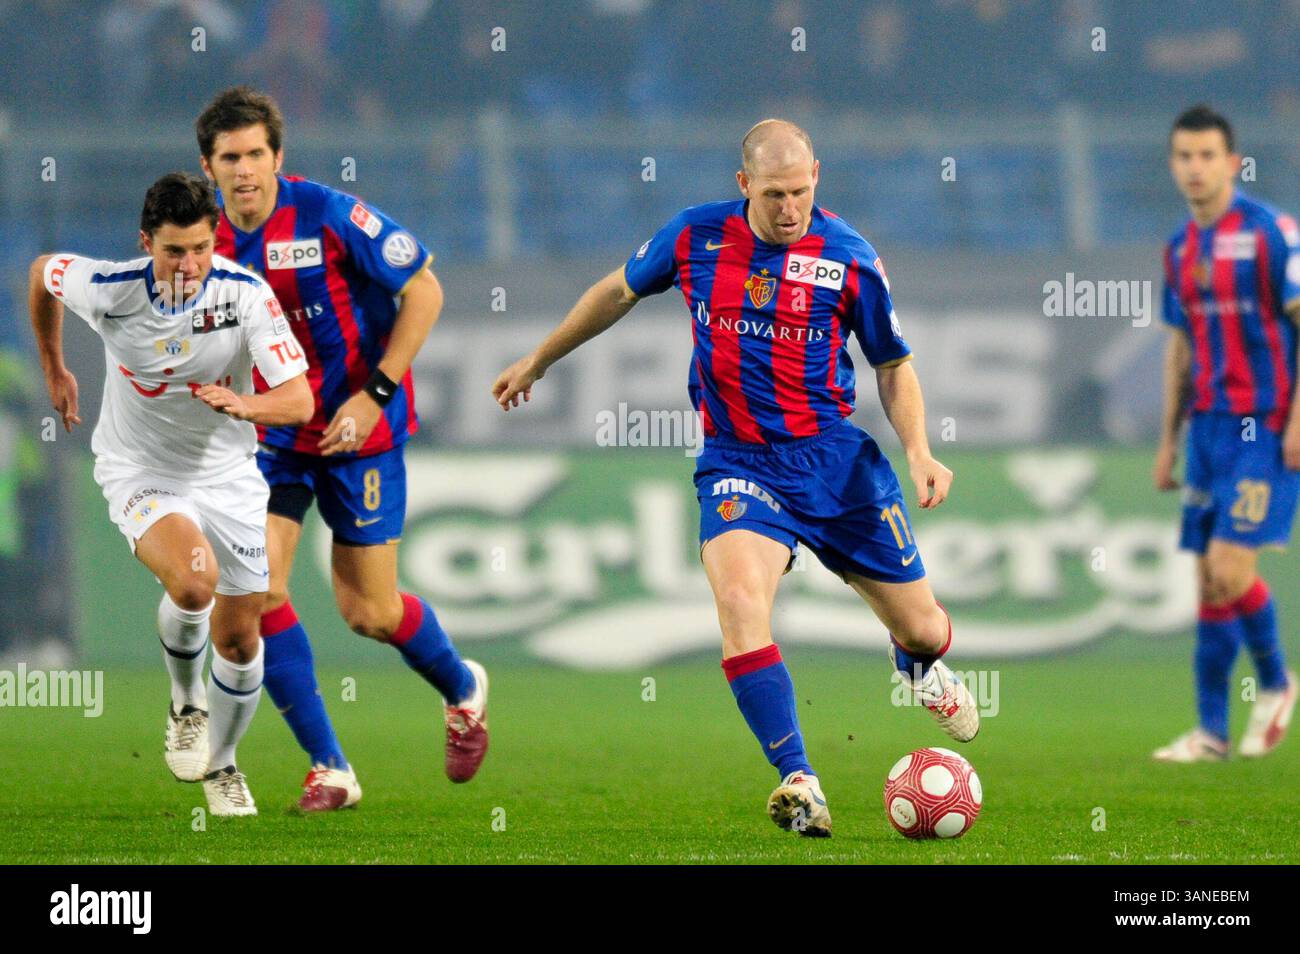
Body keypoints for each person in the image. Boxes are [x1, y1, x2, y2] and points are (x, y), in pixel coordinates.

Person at [493, 119, 978, 837]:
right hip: (737, 462)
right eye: (776, 194)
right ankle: (800, 779)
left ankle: (915, 664)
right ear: (744, 184)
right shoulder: (695, 237)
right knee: (742, 603)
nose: (790, 209)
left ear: (818, 174)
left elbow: (892, 363)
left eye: (803, 192)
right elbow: (616, 292)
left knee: (927, 628)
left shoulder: (849, 256)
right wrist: (540, 358)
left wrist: (918, 450)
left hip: (836, 464)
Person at [195, 86, 488, 811]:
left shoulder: (328, 213)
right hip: (274, 437)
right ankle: (331, 767)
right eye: (229, 157)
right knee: (261, 591)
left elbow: (424, 290)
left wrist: (375, 393)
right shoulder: (202, 242)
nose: (244, 171)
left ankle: (463, 688)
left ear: (277, 157)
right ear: (208, 166)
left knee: (371, 613)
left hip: (362, 432)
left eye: (256, 154)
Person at [28, 172, 314, 816]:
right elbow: (42, 270)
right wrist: (55, 366)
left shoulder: (245, 297)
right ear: (144, 242)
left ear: (216, 241)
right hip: (140, 470)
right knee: (193, 582)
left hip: (228, 475)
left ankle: (223, 764)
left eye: (200, 249)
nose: (187, 265)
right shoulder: (109, 289)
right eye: (173, 251)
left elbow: (299, 401)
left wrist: (244, 403)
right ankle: (187, 704)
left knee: (242, 640)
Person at [1153, 104, 1298, 762]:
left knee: (1229, 568)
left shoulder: (1272, 233)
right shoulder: (1179, 247)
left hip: (1265, 424)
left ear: (1232, 162)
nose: (1195, 167)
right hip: (1207, 431)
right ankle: (1211, 732)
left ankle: (1275, 683)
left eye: (1207, 155)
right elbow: (1180, 348)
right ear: (1173, 164)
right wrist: (1167, 441)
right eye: (1184, 156)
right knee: (1207, 584)